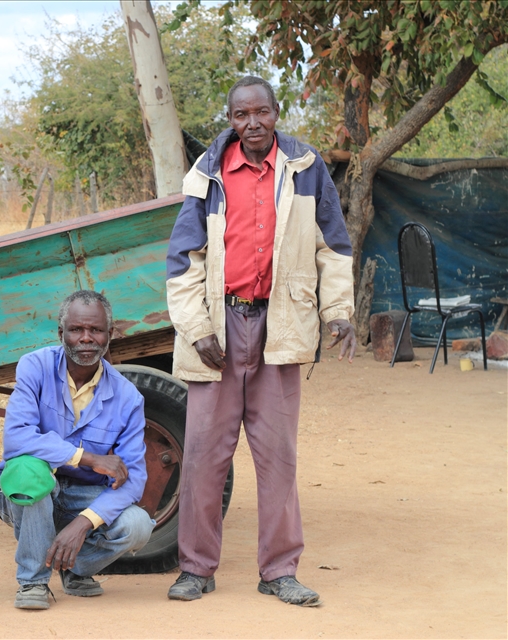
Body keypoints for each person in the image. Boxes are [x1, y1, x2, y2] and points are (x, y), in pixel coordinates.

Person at [165, 76, 357, 607]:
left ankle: (279, 571)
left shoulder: (305, 168)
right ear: (229, 120)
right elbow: (184, 260)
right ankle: (196, 569)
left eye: (261, 113)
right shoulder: (207, 173)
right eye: (241, 115)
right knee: (204, 455)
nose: (252, 123)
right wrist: (198, 328)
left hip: (280, 326)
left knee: (278, 457)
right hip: (218, 332)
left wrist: (338, 310)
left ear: (276, 112)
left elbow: (333, 245)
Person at [0, 290, 154, 610]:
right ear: (60, 333)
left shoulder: (128, 397)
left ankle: (74, 568)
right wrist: (88, 457)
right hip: (30, 490)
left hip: (82, 495)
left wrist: (83, 523)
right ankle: (33, 580)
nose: (86, 339)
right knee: (30, 471)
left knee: (138, 526)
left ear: (111, 335)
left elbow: (133, 479)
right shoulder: (34, 367)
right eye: (77, 330)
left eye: (95, 330)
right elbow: (16, 439)